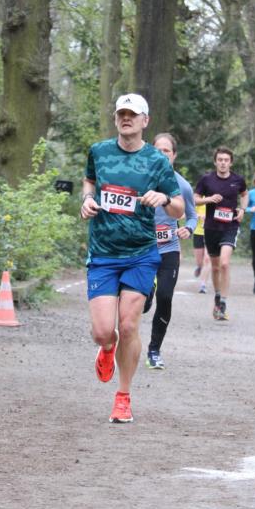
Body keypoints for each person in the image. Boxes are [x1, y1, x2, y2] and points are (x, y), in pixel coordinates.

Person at [80, 95, 184, 423]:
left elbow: (179, 207)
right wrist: (86, 199)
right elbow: (90, 181)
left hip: (141, 253)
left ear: (144, 121)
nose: (126, 119)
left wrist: (165, 197)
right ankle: (106, 349)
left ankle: (123, 396)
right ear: (116, 119)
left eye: (132, 114)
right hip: (103, 252)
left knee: (128, 325)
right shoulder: (99, 151)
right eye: (121, 114)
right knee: (102, 331)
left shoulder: (157, 161)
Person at [144, 133, 197, 370]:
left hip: (169, 249)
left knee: (165, 298)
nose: (162, 154)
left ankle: (154, 350)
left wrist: (189, 228)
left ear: (174, 155)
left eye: (167, 150)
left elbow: (193, 216)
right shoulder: (141, 179)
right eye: (158, 150)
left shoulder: (182, 186)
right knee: (142, 303)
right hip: (142, 249)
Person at [194, 148, 247, 321]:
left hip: (230, 226)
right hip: (211, 228)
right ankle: (217, 295)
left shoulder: (237, 180)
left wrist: (242, 209)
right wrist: (208, 199)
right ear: (215, 162)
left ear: (231, 162)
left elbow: (245, 194)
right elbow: (194, 198)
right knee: (215, 267)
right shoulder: (206, 179)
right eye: (220, 159)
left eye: (226, 160)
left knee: (224, 263)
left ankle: (223, 302)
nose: (223, 162)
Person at [192, 205, 211, 293]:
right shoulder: (198, 197)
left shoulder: (215, 198)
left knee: (207, 259)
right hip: (198, 232)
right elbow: (190, 213)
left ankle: (203, 285)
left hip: (211, 231)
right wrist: (199, 215)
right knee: (199, 261)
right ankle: (199, 267)